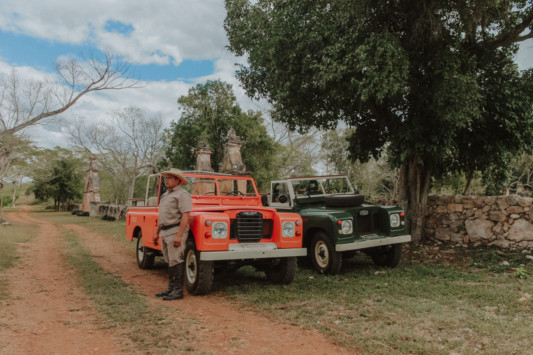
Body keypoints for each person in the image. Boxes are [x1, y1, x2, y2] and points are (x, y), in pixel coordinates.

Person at [153, 168, 192, 301]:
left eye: (170, 178)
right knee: (169, 260)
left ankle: (178, 290)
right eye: (166, 177)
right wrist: (156, 232)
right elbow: (162, 215)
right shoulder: (166, 195)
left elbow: (186, 215)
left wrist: (179, 236)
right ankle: (170, 288)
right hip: (165, 231)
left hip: (175, 230)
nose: (167, 180)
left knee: (176, 259)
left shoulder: (182, 194)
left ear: (178, 180)